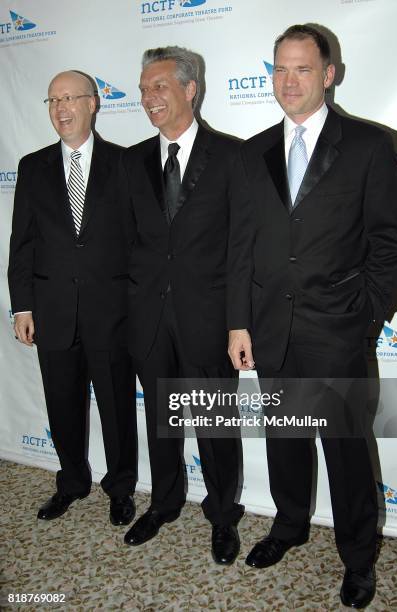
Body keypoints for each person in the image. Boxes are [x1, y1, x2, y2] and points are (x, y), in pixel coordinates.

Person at [228, 25, 397, 608]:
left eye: (302, 69)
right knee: (284, 440)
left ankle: (359, 558)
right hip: (270, 330)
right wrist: (238, 322)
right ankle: (289, 525)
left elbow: (391, 242)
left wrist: (368, 315)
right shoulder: (251, 152)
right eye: (280, 68)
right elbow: (241, 246)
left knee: (347, 452)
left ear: (328, 74)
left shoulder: (371, 145)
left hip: (338, 329)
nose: (288, 81)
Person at [122, 46, 244, 564]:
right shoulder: (131, 161)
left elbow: (242, 249)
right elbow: (125, 243)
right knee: (160, 423)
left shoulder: (234, 156)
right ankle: (165, 501)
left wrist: (239, 323)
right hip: (149, 321)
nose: (148, 98)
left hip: (209, 320)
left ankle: (221, 516)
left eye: (160, 87)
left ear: (190, 89)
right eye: (144, 88)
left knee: (216, 429)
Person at [8, 70, 137, 526]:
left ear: (93, 103)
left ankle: (121, 488)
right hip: (53, 312)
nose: (61, 108)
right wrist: (22, 305)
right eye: (52, 100)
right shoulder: (32, 166)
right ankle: (72, 482)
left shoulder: (126, 164)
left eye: (70, 98)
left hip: (112, 316)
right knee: (61, 403)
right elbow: (21, 242)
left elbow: (139, 242)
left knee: (118, 408)